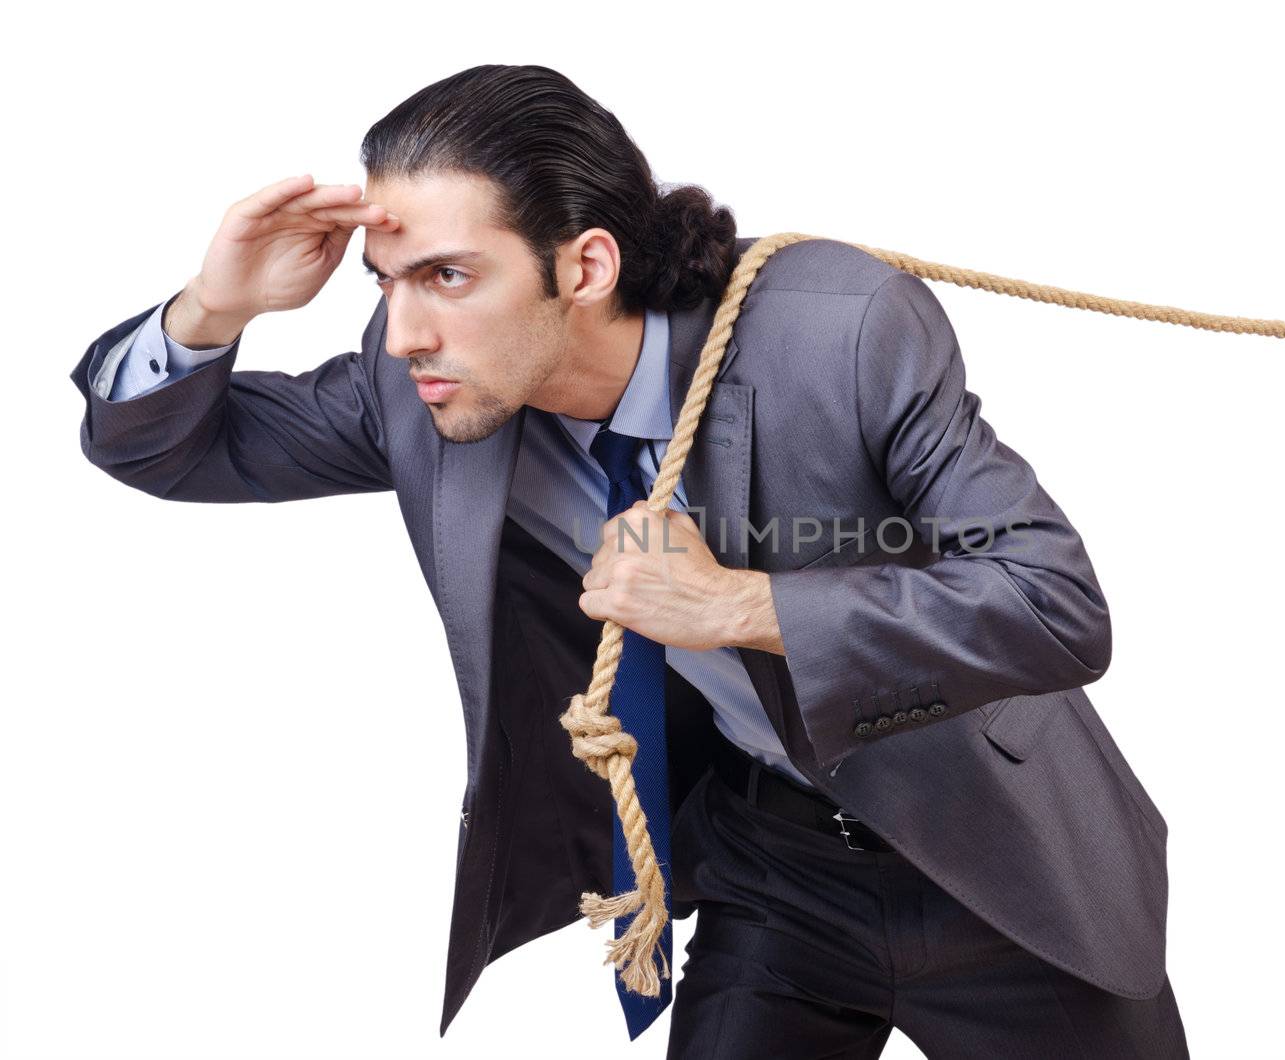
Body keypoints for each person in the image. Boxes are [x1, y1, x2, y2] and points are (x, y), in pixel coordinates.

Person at [70, 64, 1188, 1057]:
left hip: (990, 851)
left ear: (587, 264)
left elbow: (1052, 602)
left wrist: (740, 603)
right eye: (387, 282)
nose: (405, 331)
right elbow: (178, 449)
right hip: (775, 867)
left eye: (449, 277)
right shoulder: (426, 387)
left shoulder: (836, 332)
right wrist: (213, 308)